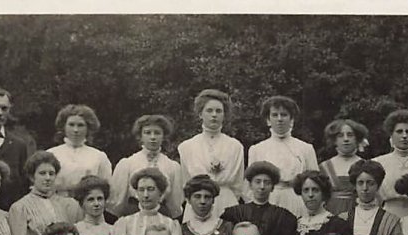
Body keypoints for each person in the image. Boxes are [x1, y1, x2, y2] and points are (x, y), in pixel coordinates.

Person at [8, 151, 81, 235]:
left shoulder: (68, 204)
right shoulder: (20, 207)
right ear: (32, 177)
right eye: (42, 173)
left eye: (51, 174)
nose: (47, 178)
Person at [178, 89, 245, 222]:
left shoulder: (235, 146)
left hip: (226, 202)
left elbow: (238, 185)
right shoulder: (186, 147)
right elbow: (185, 182)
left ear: (224, 115)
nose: (214, 115)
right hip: (197, 202)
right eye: (209, 111)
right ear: (200, 114)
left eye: (218, 111)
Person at [248, 95, 319, 217]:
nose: (279, 119)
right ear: (268, 120)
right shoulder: (257, 149)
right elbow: (249, 185)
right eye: (275, 115)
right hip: (268, 200)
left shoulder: (305, 148)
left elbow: (315, 182)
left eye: (284, 115)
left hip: (297, 201)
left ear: (291, 119)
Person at [221, 161, 298, 235]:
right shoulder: (233, 213)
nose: (262, 187)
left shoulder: (284, 217)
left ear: (272, 188)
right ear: (250, 185)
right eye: (257, 182)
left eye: (267, 182)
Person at [108, 115, 184, 218]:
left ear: (163, 136)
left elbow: (175, 203)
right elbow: (117, 202)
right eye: (147, 133)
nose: (153, 137)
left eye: (157, 133)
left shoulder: (172, 166)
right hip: (133, 214)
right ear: (140, 136)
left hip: (162, 215)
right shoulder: (127, 164)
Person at [47, 104, 113, 197]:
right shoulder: (51, 154)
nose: (75, 130)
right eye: (71, 125)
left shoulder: (98, 156)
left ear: (88, 128)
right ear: (64, 127)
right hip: (56, 204)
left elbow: (106, 188)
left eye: (80, 125)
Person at [317, 118, 369, 215]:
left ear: (357, 139)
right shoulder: (324, 167)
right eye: (340, 135)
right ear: (334, 140)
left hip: (360, 214)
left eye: (350, 135)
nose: (346, 139)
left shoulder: (366, 165)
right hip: (331, 213)